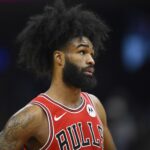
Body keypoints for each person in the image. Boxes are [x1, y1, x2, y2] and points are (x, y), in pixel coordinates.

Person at [0, 0, 116, 149]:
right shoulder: (31, 117)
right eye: (82, 52)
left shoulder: (95, 105)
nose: (91, 60)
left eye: (91, 54)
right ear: (59, 58)